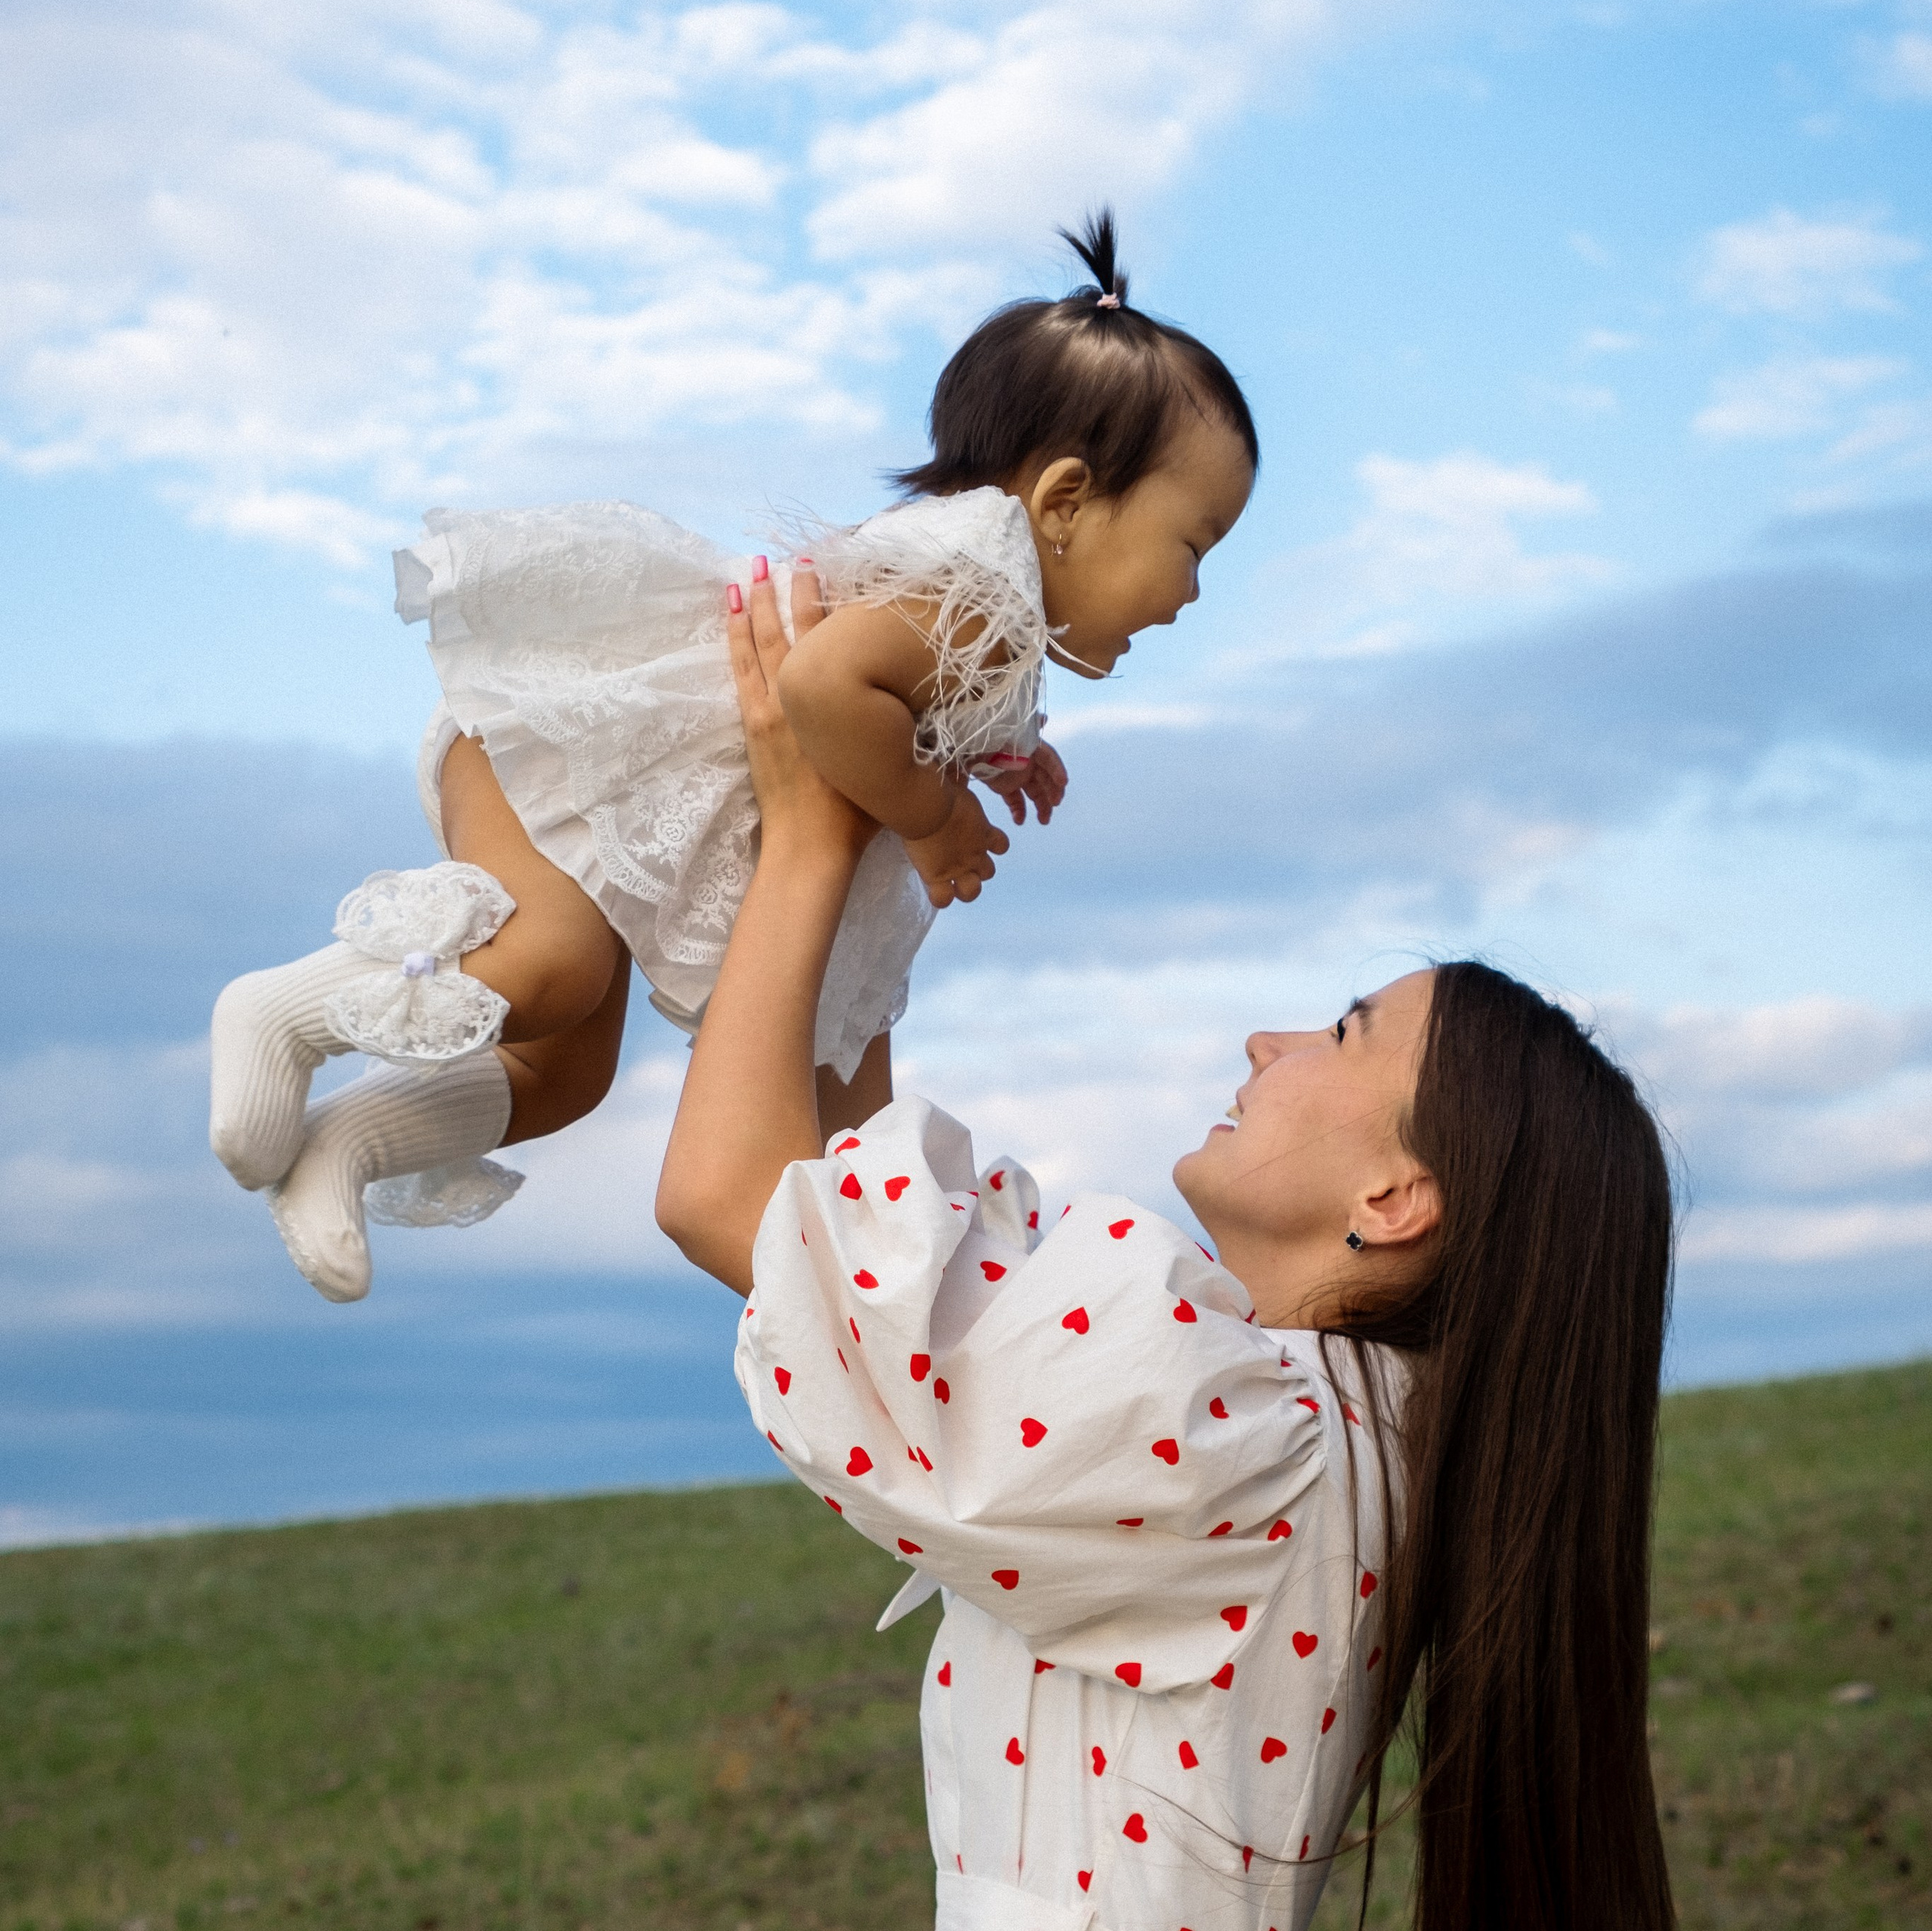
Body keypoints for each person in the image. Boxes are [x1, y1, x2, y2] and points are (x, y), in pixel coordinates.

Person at [655, 569, 1678, 1930]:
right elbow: (843, 1216)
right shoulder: (1345, 1437)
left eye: (1345, 1030)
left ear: (1396, 1199)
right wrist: (874, 866)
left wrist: (802, 838)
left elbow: (731, 1200)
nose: (1270, 1042)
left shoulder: (1244, 1443)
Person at [206, 211, 1257, 1303]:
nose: (1192, 592)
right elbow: (822, 686)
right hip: (593, 752)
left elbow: (900, 685)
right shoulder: (983, 588)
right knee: (552, 966)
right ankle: (279, 1011)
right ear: (1067, 501)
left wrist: (996, 757)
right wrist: (932, 819)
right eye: (1194, 545)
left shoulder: (982, 605)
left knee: (568, 1068)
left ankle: (350, 1145)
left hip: (640, 778)